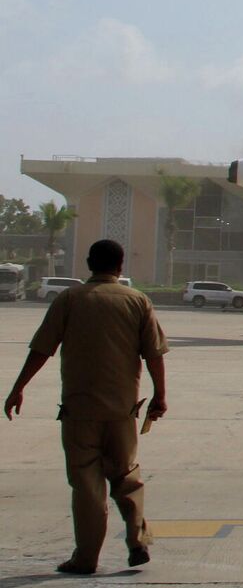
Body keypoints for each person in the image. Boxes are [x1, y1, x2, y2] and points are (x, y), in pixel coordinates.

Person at [6, 239, 166, 575]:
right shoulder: (137, 301)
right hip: (123, 409)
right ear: (120, 266)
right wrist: (159, 395)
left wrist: (18, 387)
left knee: (86, 482)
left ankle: (87, 557)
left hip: (80, 410)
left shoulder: (70, 299)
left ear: (89, 263)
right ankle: (137, 541)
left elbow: (42, 349)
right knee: (126, 475)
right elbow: (153, 353)